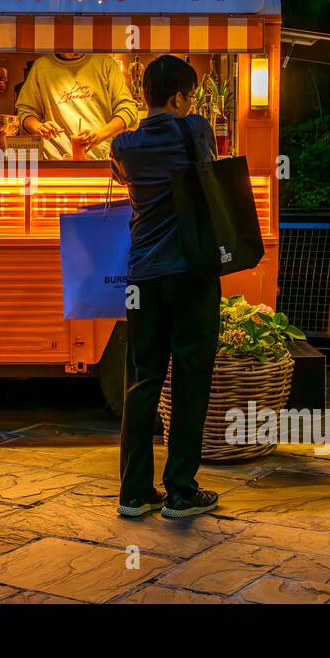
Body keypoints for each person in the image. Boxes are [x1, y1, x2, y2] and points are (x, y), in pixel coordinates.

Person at [109, 54, 221, 518]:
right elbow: (211, 172)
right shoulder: (194, 129)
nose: (190, 101)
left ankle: (134, 493)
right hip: (191, 272)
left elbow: (125, 179)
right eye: (189, 94)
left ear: (143, 96)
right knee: (191, 379)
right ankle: (179, 490)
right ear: (179, 97)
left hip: (143, 277)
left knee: (142, 379)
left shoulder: (123, 144)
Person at [14, 51, 138, 161]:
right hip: (55, 161)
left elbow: (128, 109)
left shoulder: (106, 63)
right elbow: (25, 111)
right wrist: (38, 127)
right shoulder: (41, 67)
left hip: (101, 160)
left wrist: (100, 135)